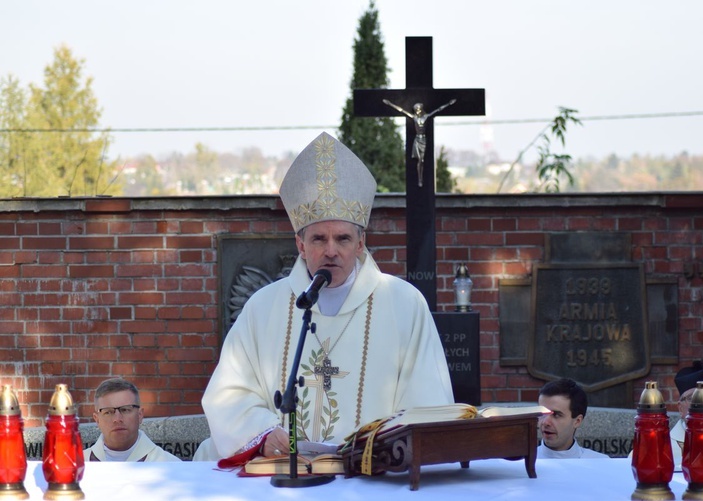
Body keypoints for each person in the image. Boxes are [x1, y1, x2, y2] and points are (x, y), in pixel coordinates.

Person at [196, 132, 454, 464]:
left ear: (361, 243)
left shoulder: (404, 304)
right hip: (285, 475)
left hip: (373, 478)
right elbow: (228, 392)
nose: (331, 250)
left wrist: (385, 447)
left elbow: (427, 400)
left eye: (343, 238)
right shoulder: (264, 307)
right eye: (318, 238)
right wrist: (263, 433)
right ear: (300, 245)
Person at [84, 378, 181, 462]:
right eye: (108, 412)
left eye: (125, 410)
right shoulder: (76, 465)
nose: (117, 419)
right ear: (97, 420)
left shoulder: (170, 464)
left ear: (140, 415)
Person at [382, 98, 456, 187]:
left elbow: (438, 109)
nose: (417, 111)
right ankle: (419, 179)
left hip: (423, 139)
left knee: (422, 159)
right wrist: (389, 103)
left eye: (418, 109)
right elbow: (402, 110)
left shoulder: (426, 117)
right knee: (419, 160)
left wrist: (449, 103)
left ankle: (421, 179)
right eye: (416, 109)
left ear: (421, 109)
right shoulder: (414, 118)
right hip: (417, 139)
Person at [536, 378, 609, 459]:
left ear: (577, 421)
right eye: (542, 413)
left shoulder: (600, 464)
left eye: (556, 415)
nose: (545, 422)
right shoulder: (522, 464)